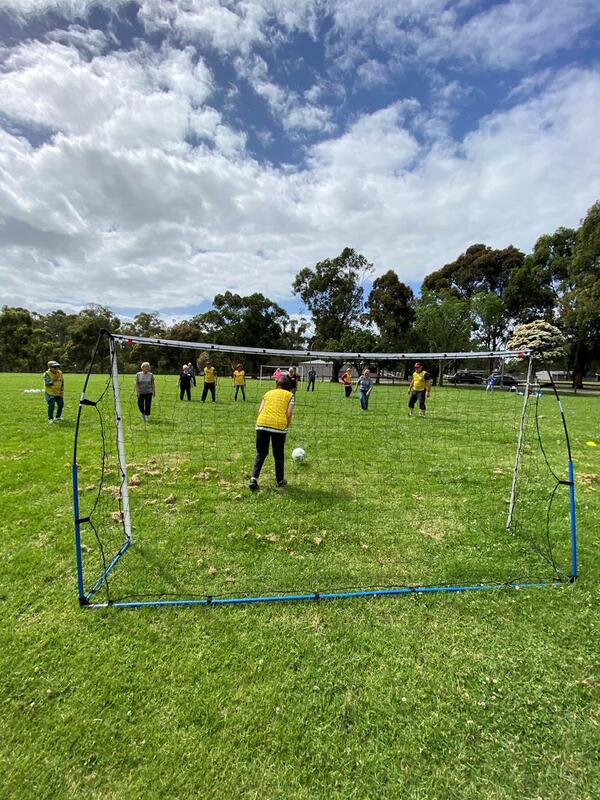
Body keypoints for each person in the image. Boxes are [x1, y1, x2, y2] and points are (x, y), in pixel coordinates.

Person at [249, 374, 294, 491]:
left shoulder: (267, 393)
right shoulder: (290, 395)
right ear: (288, 386)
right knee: (278, 455)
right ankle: (280, 481)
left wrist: (262, 423)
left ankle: (253, 479)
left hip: (261, 424)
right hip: (278, 426)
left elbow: (260, 410)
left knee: (261, 453)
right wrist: (286, 428)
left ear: (277, 384)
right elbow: (288, 414)